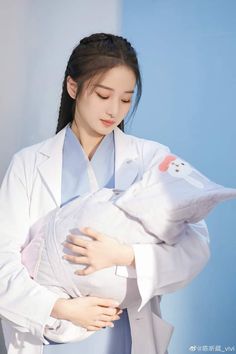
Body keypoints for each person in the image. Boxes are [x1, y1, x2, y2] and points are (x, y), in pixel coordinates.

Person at [0, 33, 210, 354]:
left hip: (126, 336)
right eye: (103, 95)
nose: (114, 110)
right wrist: (59, 307)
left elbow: (195, 247)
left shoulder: (150, 159)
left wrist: (128, 257)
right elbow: (3, 263)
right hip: (48, 337)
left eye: (126, 99)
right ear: (74, 87)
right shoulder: (28, 164)